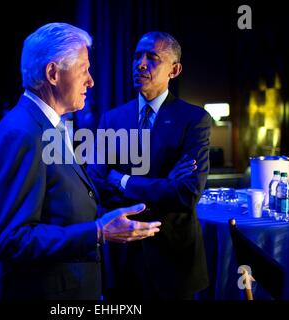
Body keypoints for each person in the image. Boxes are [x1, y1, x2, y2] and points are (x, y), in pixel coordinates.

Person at [0, 23, 161, 300]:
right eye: (83, 70)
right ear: (53, 73)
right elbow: (10, 240)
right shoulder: (22, 133)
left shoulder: (49, 125)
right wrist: (97, 232)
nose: (90, 81)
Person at [88, 31, 212, 299]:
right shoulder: (112, 119)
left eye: (153, 58)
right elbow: (97, 183)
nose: (140, 64)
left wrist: (121, 180)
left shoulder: (195, 119)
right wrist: (166, 184)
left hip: (174, 264)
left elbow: (186, 194)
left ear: (174, 70)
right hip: (122, 261)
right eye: (137, 56)